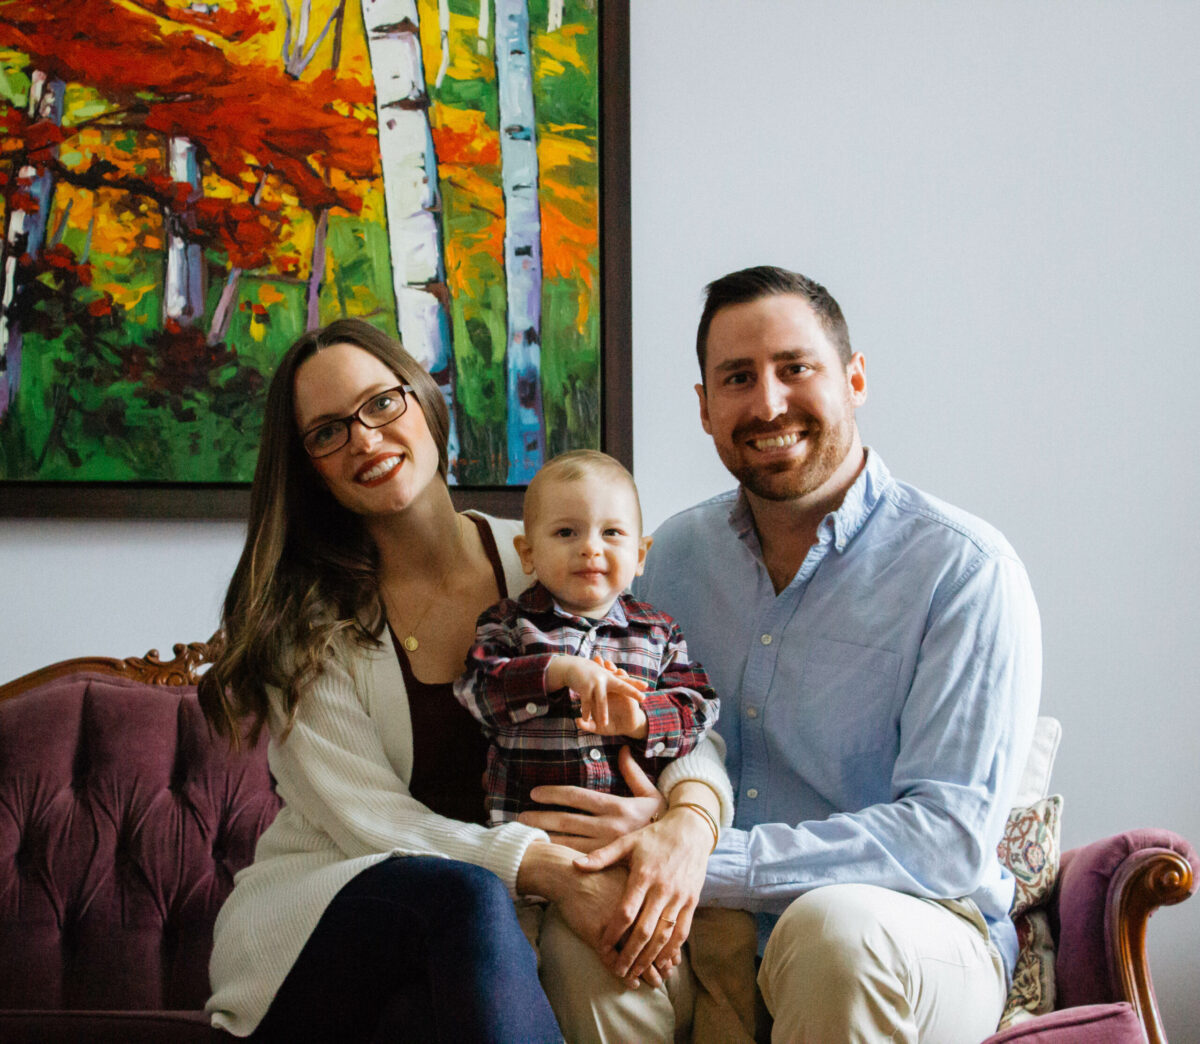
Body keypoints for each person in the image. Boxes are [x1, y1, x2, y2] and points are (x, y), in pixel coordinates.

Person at [196, 318, 733, 1042]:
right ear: (309, 465)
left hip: (482, 956)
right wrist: (555, 873)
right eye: (327, 432)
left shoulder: (551, 553)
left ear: (423, 398)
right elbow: (374, 821)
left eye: (380, 403)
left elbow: (676, 703)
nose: (364, 439)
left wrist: (687, 823)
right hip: (332, 929)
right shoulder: (307, 623)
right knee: (468, 898)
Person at [636, 266, 1042, 1042]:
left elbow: (946, 842)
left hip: (919, 929)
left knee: (833, 931)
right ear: (705, 407)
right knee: (588, 941)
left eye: (796, 368)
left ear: (854, 380)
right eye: (737, 378)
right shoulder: (675, 557)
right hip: (706, 935)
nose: (768, 404)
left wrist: (709, 863)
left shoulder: (964, 570)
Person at [454, 450, 759, 1040]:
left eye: (611, 533)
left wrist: (644, 719)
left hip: (643, 843)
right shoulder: (510, 626)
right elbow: (478, 691)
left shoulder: (658, 632)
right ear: (528, 554)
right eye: (567, 533)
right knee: (522, 961)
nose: (591, 549)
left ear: (640, 555)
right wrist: (558, 672)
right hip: (540, 856)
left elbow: (700, 706)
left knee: (728, 933)